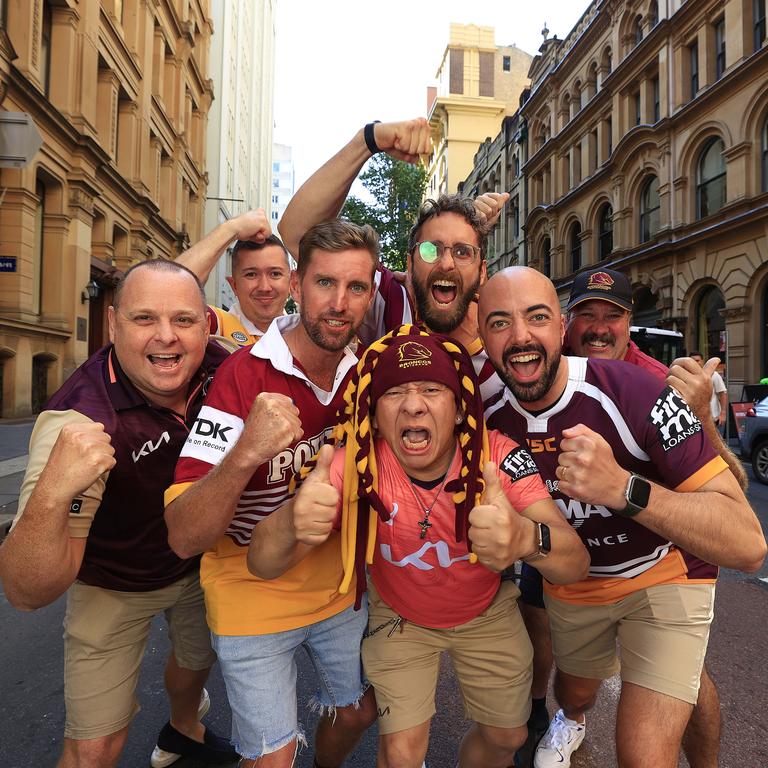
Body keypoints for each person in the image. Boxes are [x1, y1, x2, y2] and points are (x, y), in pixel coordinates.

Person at [248, 326, 589, 768]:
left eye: (431, 388)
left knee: (508, 737)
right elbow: (262, 563)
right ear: (373, 410)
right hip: (401, 618)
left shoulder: (496, 456)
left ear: (460, 405)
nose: (413, 404)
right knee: (401, 753)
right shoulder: (356, 463)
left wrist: (526, 537)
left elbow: (574, 563)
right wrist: (292, 520)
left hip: (486, 611)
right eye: (394, 393)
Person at [477, 266, 766, 768]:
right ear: (482, 336)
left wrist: (622, 488)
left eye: (536, 317)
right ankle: (571, 720)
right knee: (576, 693)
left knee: (645, 750)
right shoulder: (488, 412)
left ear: (554, 326)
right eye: (500, 322)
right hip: (574, 584)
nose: (521, 335)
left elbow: (748, 542)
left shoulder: (644, 390)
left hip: (663, 570)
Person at [0, 260, 238, 768]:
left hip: (195, 565)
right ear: (112, 325)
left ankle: (183, 728)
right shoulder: (82, 416)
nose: (167, 338)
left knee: (197, 660)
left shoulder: (221, 365)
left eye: (184, 320)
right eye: (144, 319)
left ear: (205, 325)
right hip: (112, 581)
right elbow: (25, 591)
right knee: (93, 748)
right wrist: (53, 492)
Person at [164, 220, 381, 768]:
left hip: (335, 583)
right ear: (298, 285)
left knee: (355, 713)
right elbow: (185, 535)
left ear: (372, 294)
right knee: (271, 758)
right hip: (246, 586)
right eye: (324, 283)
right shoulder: (242, 375)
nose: (339, 303)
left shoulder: (368, 374)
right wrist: (245, 453)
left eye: (356, 287)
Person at [278, 118, 510, 402]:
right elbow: (297, 234)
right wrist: (366, 141)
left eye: (463, 252)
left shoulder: (510, 340)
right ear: (410, 265)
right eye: (430, 250)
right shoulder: (389, 302)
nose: (447, 264)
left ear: (482, 271)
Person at [178, 207, 291, 348]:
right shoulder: (216, 327)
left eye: (275, 274)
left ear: (292, 282)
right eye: (251, 274)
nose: (264, 287)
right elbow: (169, 290)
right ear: (234, 285)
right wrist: (233, 228)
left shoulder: (306, 333)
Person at [689, 351, 728, 431]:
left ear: (702, 361)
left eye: (697, 360)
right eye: (692, 361)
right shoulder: (687, 376)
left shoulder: (714, 375)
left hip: (714, 418)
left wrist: (723, 414)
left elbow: (722, 393)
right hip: (695, 422)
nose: (695, 363)